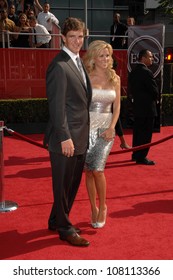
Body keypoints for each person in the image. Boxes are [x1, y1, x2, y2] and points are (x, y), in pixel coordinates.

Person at [43, 17, 92, 246]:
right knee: (63, 184)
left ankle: (55, 219)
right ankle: (64, 227)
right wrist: (64, 137)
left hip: (80, 136)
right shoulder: (59, 65)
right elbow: (57, 106)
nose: (76, 41)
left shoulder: (77, 61)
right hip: (66, 139)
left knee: (71, 184)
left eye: (80, 36)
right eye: (72, 36)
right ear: (63, 37)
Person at [82, 40, 120, 228]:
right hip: (87, 128)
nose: (106, 59)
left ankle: (103, 206)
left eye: (108, 55)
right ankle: (93, 207)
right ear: (93, 58)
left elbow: (117, 106)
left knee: (98, 170)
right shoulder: (86, 76)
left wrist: (112, 127)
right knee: (88, 172)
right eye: (102, 56)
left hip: (105, 129)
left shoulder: (115, 78)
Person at [128, 49, 159, 165]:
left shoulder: (133, 71)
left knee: (137, 133)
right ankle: (142, 157)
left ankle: (135, 154)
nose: (152, 59)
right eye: (150, 57)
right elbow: (154, 91)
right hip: (147, 109)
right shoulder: (147, 72)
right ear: (143, 58)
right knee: (146, 134)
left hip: (137, 108)